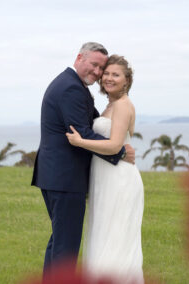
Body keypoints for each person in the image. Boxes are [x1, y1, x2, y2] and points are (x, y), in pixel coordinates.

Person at [31, 42, 135, 276]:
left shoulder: (71, 84)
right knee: (66, 247)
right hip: (65, 178)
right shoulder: (71, 88)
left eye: (102, 68)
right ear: (80, 58)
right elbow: (81, 133)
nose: (98, 73)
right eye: (95, 65)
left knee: (60, 241)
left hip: (57, 176)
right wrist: (120, 152)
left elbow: (91, 123)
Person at [66, 55, 144, 283]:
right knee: (102, 236)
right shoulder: (110, 104)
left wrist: (81, 142)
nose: (109, 78)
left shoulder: (122, 105)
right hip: (105, 180)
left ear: (127, 80)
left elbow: (114, 146)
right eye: (107, 73)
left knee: (115, 241)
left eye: (115, 74)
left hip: (119, 180)